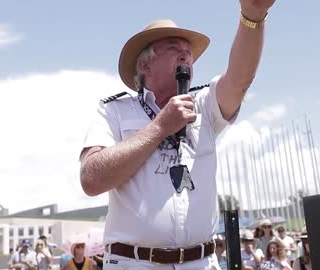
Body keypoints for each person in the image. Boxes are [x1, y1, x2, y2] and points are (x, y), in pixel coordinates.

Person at [79, 0, 276, 268]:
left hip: (201, 261)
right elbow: (91, 179)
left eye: (188, 52)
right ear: (145, 66)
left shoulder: (204, 105)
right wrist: (160, 127)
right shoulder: (114, 111)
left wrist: (253, 15)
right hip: (134, 263)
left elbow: (239, 80)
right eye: (174, 49)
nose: (185, 55)